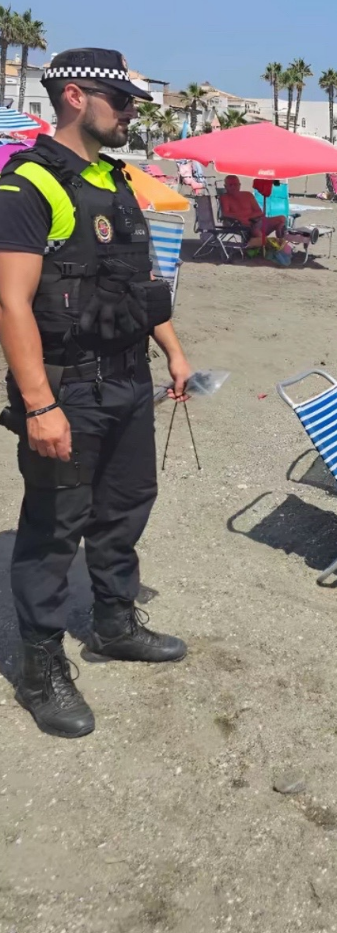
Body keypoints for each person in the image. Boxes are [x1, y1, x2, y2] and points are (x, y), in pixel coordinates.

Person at [0, 48, 192, 739]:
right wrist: (40, 405)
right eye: (123, 100)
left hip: (129, 377)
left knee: (125, 505)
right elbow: (11, 304)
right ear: (76, 95)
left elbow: (138, 280)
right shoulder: (27, 183)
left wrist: (172, 350)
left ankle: (113, 624)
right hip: (67, 386)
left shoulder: (117, 180)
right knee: (54, 529)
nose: (132, 112)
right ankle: (41, 665)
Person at [219, 175, 286, 242]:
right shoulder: (225, 198)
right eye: (230, 185)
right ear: (225, 186)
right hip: (245, 226)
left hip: (258, 221)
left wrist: (247, 217)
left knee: (281, 219)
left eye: (235, 184)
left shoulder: (248, 195)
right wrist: (242, 219)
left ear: (239, 185)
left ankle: (280, 241)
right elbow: (225, 214)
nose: (233, 187)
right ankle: (264, 247)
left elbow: (260, 212)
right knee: (257, 232)